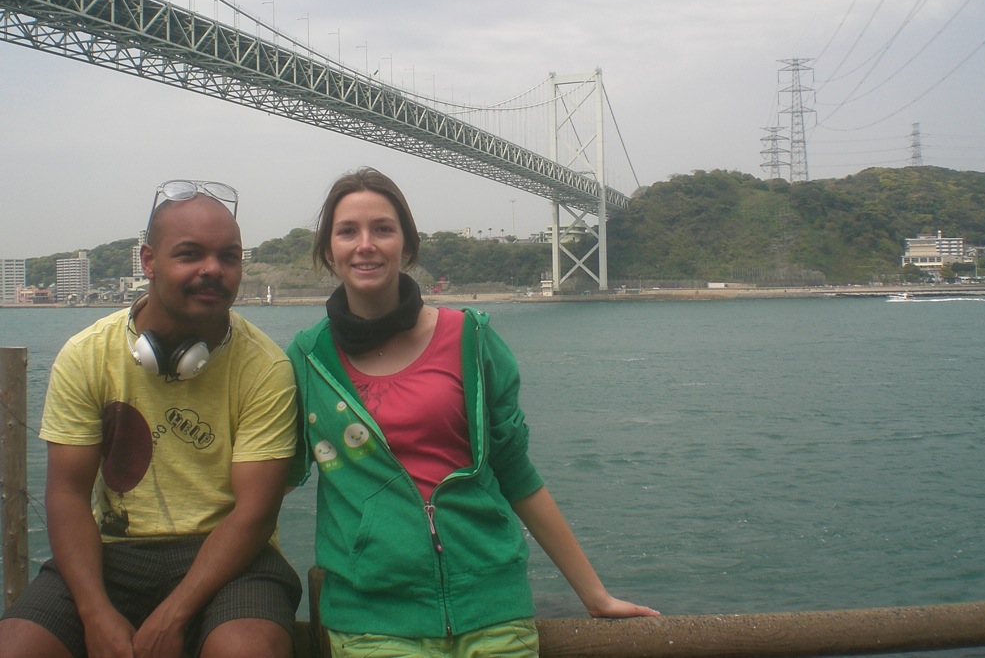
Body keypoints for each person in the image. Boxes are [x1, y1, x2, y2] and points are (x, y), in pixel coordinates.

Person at [286, 167, 659, 657]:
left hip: (491, 605)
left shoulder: (469, 339)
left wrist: (594, 594)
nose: (366, 244)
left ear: (408, 245)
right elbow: (270, 478)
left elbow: (516, 472)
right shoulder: (307, 359)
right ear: (328, 251)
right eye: (347, 231)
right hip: (372, 617)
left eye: (383, 228)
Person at [0, 180, 302, 658]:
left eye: (229, 256)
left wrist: (174, 615)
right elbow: (67, 493)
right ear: (148, 261)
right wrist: (95, 613)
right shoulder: (87, 355)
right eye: (189, 254)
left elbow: (254, 513)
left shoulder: (265, 368)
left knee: (248, 650)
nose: (213, 270)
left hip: (229, 558)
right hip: (113, 553)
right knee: (17, 646)